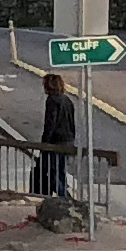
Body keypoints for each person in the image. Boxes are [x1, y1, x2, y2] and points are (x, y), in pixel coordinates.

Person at [31, 69, 77, 201]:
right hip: (68, 140)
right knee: (60, 170)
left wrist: (44, 143)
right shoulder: (67, 100)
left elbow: (50, 124)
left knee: (51, 172)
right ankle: (65, 197)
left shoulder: (52, 101)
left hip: (55, 142)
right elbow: (71, 122)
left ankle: (65, 198)